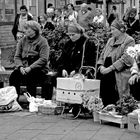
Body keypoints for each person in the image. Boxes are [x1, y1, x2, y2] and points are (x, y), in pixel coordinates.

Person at [9, 20, 51, 100]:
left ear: (34, 30)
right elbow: (17, 56)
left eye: (27, 29)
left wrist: (30, 67)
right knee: (14, 76)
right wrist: (20, 67)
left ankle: (32, 100)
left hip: (38, 68)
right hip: (24, 66)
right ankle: (14, 100)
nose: (25, 31)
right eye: (25, 29)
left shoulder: (43, 41)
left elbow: (43, 58)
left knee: (31, 77)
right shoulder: (22, 41)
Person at [97, 20, 135, 106]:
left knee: (117, 97)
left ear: (121, 30)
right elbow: (102, 55)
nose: (111, 32)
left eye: (113, 29)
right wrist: (101, 66)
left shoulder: (129, 40)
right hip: (105, 71)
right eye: (111, 29)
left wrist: (110, 69)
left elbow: (126, 58)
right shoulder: (110, 40)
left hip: (118, 72)